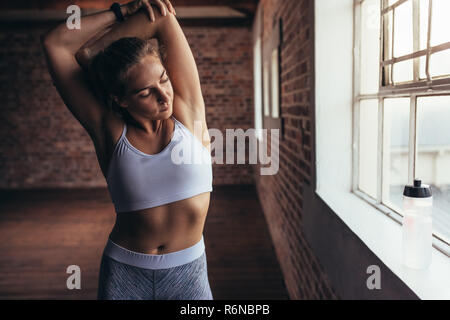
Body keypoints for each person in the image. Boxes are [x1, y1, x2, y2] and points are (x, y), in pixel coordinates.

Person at [41, 0, 214, 300]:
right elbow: (55, 44)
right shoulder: (108, 130)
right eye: (145, 92)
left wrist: (93, 54)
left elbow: (161, 17)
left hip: (189, 274)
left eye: (164, 80)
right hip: (124, 273)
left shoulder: (190, 116)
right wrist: (117, 12)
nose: (163, 96)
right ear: (121, 100)